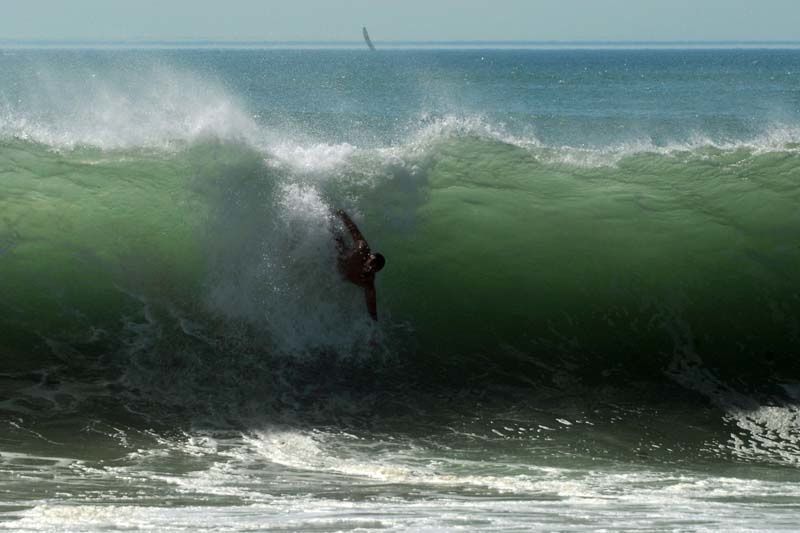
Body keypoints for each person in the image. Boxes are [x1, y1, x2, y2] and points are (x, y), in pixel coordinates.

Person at [333, 209, 386, 321]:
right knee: (338, 239)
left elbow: (372, 310)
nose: (370, 267)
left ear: (375, 271)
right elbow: (353, 230)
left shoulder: (368, 283)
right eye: (371, 262)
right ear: (369, 257)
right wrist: (343, 215)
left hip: (341, 272)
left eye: (373, 268)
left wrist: (373, 328)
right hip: (337, 254)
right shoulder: (362, 248)